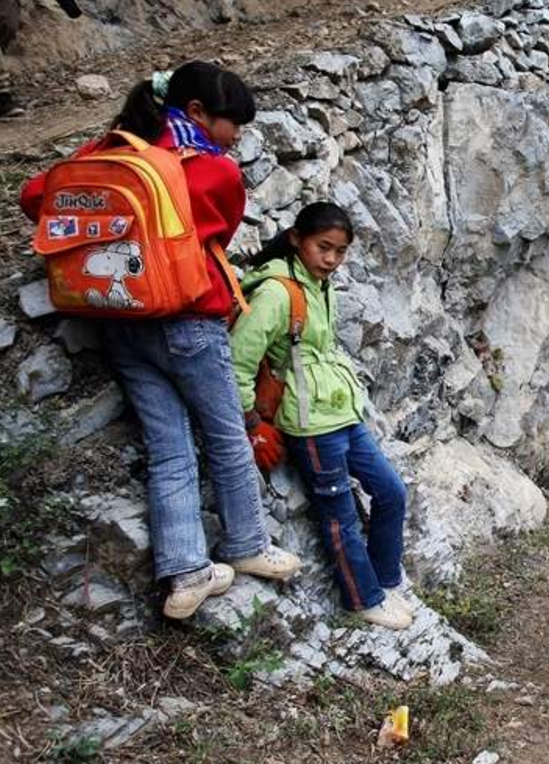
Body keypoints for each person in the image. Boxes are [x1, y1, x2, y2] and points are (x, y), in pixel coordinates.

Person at [20, 61, 301, 619]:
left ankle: (186, 573)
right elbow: (220, 225)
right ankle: (246, 545)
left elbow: (36, 195)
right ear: (196, 113)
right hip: (189, 321)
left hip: (120, 321)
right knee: (224, 435)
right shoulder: (212, 171)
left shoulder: (112, 152)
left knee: (168, 448)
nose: (237, 136)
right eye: (231, 123)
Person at [229, 203, 413, 630]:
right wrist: (251, 423)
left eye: (340, 251)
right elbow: (238, 360)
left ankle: (386, 579)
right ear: (297, 239)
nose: (331, 259)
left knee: (392, 492)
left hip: (341, 413)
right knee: (339, 516)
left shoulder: (318, 283)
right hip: (310, 425)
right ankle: (364, 599)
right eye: (323, 247)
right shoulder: (277, 292)